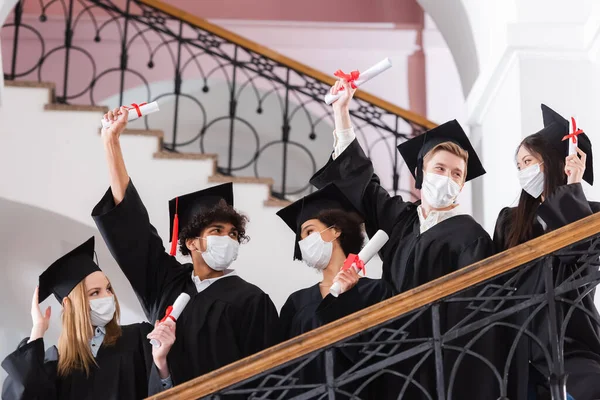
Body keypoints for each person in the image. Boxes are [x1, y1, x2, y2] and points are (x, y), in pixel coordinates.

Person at [308, 79, 504, 399]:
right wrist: (342, 112)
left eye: (457, 174)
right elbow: (363, 184)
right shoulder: (401, 220)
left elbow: (476, 321)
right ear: (420, 174)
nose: (449, 178)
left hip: (441, 364)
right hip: (393, 352)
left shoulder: (471, 237)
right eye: (440, 168)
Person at [92, 107, 280, 388]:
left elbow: (270, 379)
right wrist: (111, 141)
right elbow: (131, 225)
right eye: (217, 231)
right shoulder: (165, 282)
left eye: (232, 234)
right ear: (191, 242)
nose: (227, 239)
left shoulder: (252, 300)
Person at [493, 104, 600, 400]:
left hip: (571, 340)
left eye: (528, 161)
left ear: (552, 162)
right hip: (519, 347)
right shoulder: (509, 221)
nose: (522, 171)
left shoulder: (592, 215)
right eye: (518, 166)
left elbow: (583, 263)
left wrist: (572, 186)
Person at [1, 237, 175, 399]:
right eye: (95, 293)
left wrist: (161, 363)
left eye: (108, 289)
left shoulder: (139, 337)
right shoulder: (56, 364)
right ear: (69, 305)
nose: (108, 296)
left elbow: (168, 392)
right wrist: (37, 331)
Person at [277, 183, 395, 398]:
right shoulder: (297, 302)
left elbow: (384, 356)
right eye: (302, 237)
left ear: (335, 231)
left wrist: (348, 298)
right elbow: (283, 367)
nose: (304, 242)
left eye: (309, 231)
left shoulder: (376, 292)